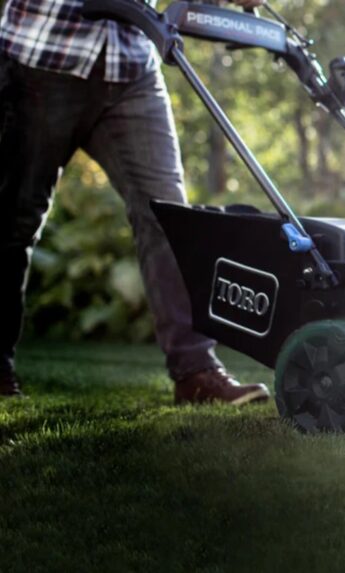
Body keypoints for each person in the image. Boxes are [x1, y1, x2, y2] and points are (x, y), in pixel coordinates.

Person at [0, 0, 270, 404]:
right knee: (13, 221)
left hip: (130, 68)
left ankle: (196, 372)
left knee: (168, 216)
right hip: (41, 61)